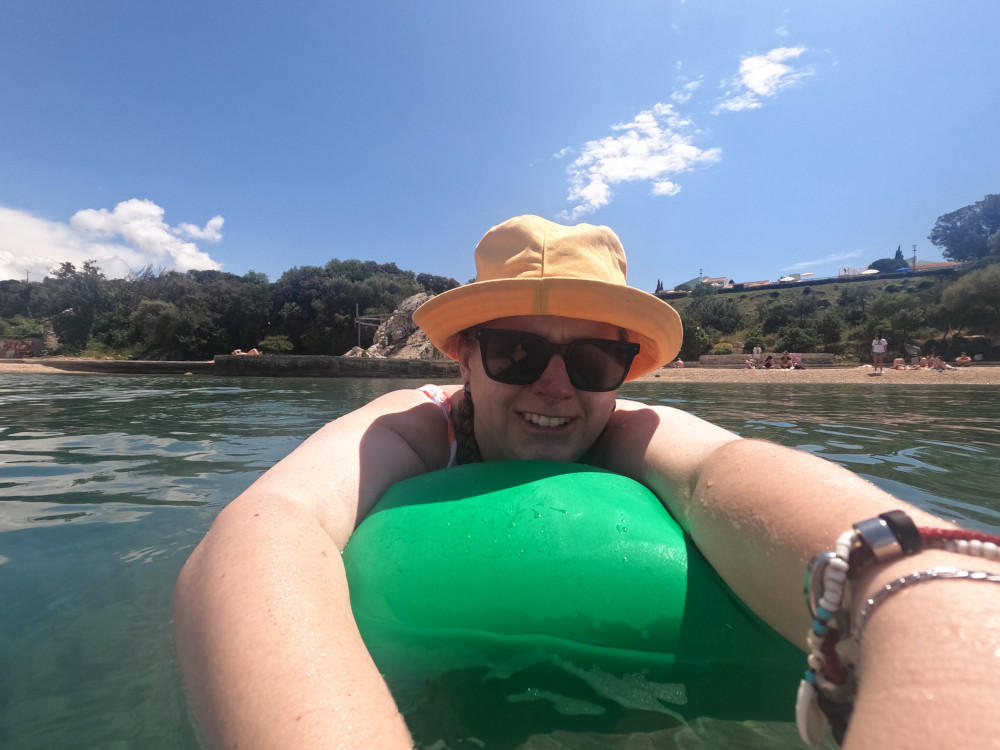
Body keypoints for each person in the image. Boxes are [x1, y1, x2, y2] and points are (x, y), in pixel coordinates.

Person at [173, 215, 1000, 750]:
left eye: (596, 359)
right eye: (517, 352)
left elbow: (722, 469)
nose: (556, 386)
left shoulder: (630, 430)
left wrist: (923, 591)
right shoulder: (417, 426)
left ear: (624, 370)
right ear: (462, 358)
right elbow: (270, 523)